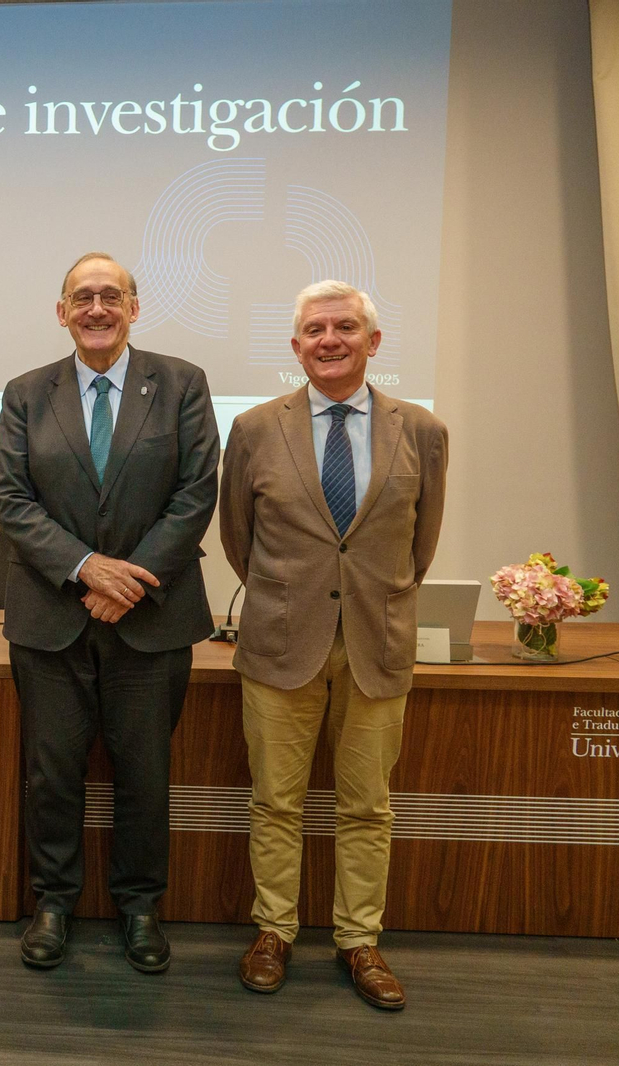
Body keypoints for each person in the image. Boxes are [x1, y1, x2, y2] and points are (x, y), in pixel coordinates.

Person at [218, 279, 448, 1010]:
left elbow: (422, 544)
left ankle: (359, 941)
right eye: (314, 330)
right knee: (275, 801)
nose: (329, 340)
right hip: (282, 643)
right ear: (295, 347)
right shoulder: (256, 429)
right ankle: (274, 931)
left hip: (377, 648)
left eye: (345, 327)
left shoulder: (421, 431)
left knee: (367, 806)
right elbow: (237, 539)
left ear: (372, 342)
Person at [0, 252, 219, 972]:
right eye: (82, 297)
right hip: (51, 618)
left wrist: (129, 582)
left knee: (144, 773)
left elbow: (195, 492)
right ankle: (53, 901)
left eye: (110, 296)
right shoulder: (27, 392)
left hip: (151, 621)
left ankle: (141, 906)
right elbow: (11, 499)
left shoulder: (180, 383)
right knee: (50, 772)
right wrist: (87, 569)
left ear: (133, 307)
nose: (96, 308)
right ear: (61, 312)